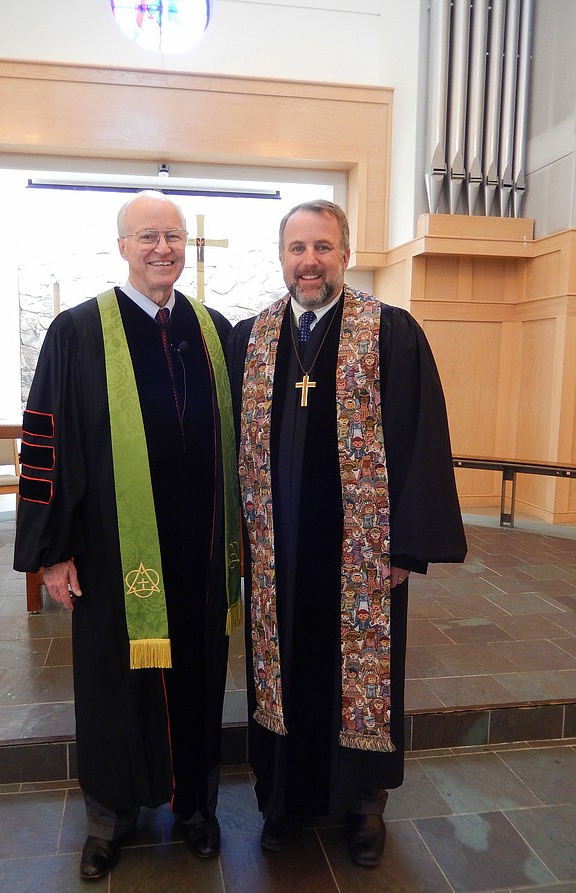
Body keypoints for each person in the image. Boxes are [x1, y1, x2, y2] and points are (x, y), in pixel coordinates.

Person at [227, 200, 467, 868]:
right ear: (282, 256)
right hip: (277, 552)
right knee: (282, 670)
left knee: (359, 677)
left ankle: (362, 805)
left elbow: (421, 439)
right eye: (298, 248)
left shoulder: (390, 332)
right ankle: (282, 799)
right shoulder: (251, 338)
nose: (310, 261)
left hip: (360, 554)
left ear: (346, 253)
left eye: (323, 247)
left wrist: (405, 547)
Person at [14, 191, 241, 881]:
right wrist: (52, 550)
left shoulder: (215, 330)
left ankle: (198, 807)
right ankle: (111, 817)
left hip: (200, 554)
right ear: (122, 246)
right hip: (115, 557)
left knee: (201, 680)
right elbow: (44, 439)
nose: (162, 248)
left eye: (172, 235)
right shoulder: (79, 331)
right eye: (147, 236)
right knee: (116, 685)